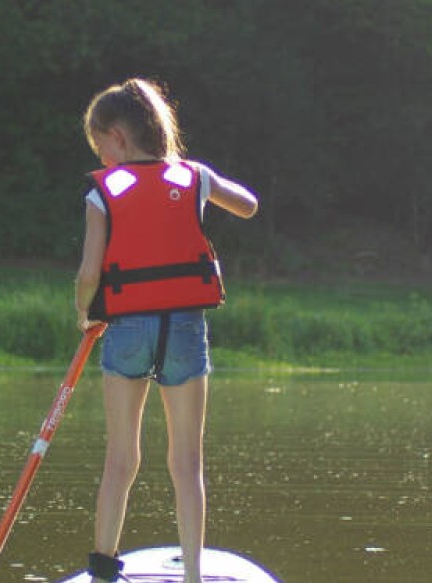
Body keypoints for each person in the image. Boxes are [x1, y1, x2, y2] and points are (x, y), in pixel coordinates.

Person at [73, 78, 259, 583]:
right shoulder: (194, 176)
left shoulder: (104, 191)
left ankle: (103, 568)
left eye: (100, 146)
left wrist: (84, 312)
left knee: (121, 458)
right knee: (187, 461)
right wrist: (208, 183)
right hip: (183, 329)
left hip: (127, 329)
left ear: (116, 136)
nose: (102, 158)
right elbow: (248, 204)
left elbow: (90, 272)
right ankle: (194, 575)